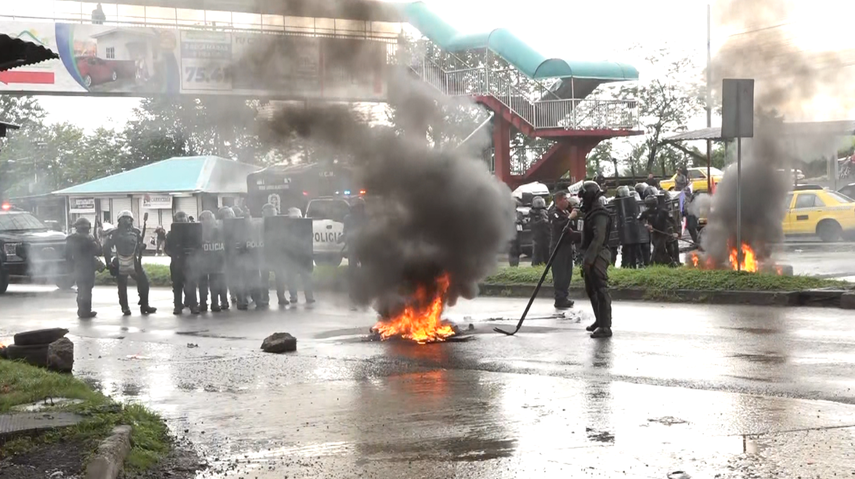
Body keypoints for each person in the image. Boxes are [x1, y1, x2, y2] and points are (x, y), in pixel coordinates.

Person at [103, 210, 157, 316]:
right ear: (119, 220)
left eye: (128, 218)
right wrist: (108, 262)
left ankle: (144, 305)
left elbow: (138, 246)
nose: (127, 220)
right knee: (122, 285)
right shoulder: (114, 233)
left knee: (144, 281)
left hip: (133, 260)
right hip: (120, 260)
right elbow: (106, 247)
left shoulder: (136, 232)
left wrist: (141, 247)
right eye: (124, 218)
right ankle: (124, 307)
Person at [577, 181, 613, 339]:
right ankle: (599, 320)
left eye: (584, 197)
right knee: (591, 289)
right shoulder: (591, 212)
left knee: (600, 288)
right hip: (590, 254)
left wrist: (589, 260)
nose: (582, 201)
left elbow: (599, 238)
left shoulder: (600, 213)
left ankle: (605, 326)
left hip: (599, 254)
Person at [66, 217, 103, 319]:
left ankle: (82, 310)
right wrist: (97, 239)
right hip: (88, 267)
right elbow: (99, 252)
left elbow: (67, 256)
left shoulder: (70, 239)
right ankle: (85, 311)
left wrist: (70, 269)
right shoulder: (89, 239)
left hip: (77, 267)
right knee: (87, 290)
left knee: (82, 289)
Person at [549, 191, 580, 310]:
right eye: (564, 199)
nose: (567, 201)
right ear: (558, 201)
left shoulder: (566, 212)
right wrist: (569, 218)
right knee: (560, 273)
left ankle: (565, 297)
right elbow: (559, 226)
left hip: (567, 246)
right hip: (558, 247)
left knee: (567, 273)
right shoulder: (554, 213)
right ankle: (559, 298)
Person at [166, 211, 199, 315]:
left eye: (182, 217)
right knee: (177, 285)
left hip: (190, 262)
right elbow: (167, 248)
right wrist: (175, 254)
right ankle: (177, 306)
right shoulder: (171, 234)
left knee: (191, 284)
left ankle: (193, 305)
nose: (181, 220)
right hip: (177, 262)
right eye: (178, 218)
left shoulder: (193, 232)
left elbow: (198, 245)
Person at [260, 203, 289, 307]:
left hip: (277, 253)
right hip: (264, 253)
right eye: (269, 213)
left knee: (280, 276)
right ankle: (264, 297)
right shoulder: (259, 223)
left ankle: (281, 297)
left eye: (272, 213)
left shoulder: (280, 223)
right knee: (264, 277)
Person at [639, 196, 681, 266]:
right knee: (661, 250)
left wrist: (676, 232)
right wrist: (646, 224)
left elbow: (673, 221)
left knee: (657, 248)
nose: (650, 208)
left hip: (663, 233)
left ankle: (652, 264)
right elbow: (639, 220)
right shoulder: (646, 212)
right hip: (654, 234)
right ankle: (670, 263)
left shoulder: (663, 211)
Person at [286, 207, 315, 304]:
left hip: (303, 256)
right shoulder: (287, 227)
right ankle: (294, 296)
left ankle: (309, 296)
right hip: (292, 256)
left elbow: (309, 240)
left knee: (306, 276)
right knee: (291, 277)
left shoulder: (305, 226)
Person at [342, 198, 365, 305]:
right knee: (352, 270)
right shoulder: (348, 219)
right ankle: (352, 291)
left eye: (361, 207)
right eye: (357, 207)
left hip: (364, 246)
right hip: (353, 247)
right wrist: (345, 238)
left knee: (366, 269)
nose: (359, 210)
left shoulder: (366, 218)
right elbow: (345, 231)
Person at [214, 206, 235, 310]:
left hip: (233, 254)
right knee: (222, 279)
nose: (228, 216)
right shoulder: (218, 226)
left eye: (230, 213)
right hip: (221, 255)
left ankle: (235, 295)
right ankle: (224, 300)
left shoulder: (237, 224)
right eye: (225, 214)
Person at [530, 196, 550, 266]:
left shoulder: (546, 212)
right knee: (537, 253)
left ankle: (547, 264)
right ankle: (536, 265)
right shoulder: (532, 213)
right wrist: (541, 221)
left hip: (546, 236)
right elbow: (532, 224)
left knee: (547, 252)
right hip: (537, 237)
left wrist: (545, 219)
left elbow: (550, 222)